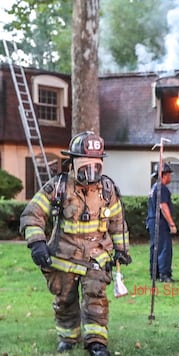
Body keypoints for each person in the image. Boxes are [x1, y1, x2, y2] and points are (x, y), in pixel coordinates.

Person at [20, 131, 131, 356]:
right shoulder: (57, 187)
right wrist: (37, 243)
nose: (91, 174)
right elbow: (32, 214)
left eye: (95, 168)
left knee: (96, 299)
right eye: (85, 168)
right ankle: (68, 338)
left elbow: (118, 221)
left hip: (96, 258)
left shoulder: (107, 190)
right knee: (65, 300)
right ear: (73, 163)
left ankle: (96, 343)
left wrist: (121, 250)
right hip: (63, 258)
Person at [146, 162, 178, 283]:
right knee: (165, 248)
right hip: (160, 222)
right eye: (169, 174)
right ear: (164, 175)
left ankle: (155, 273)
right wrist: (171, 223)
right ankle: (165, 274)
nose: (170, 176)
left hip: (152, 221)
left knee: (155, 248)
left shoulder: (154, 187)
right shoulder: (162, 188)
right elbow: (163, 206)